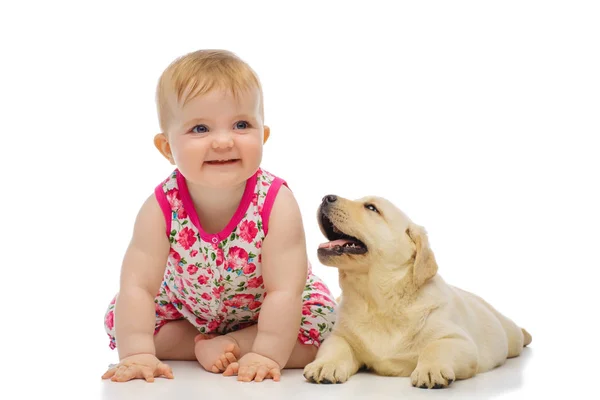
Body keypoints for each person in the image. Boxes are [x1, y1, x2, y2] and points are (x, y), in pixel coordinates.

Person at [100, 49, 337, 383]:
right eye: (200, 128)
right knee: (123, 317)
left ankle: (234, 344)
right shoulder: (161, 206)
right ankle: (200, 344)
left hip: (267, 311)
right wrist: (137, 353)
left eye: (241, 125)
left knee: (321, 328)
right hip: (190, 309)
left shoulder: (275, 203)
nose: (224, 141)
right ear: (167, 148)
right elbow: (138, 286)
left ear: (263, 136)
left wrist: (266, 353)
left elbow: (284, 291)